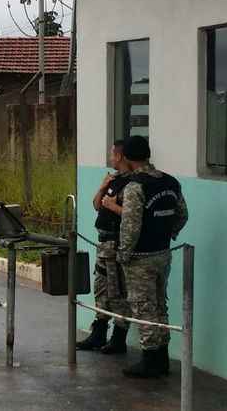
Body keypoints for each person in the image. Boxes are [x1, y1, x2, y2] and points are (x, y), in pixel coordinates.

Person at [117, 136, 188, 378]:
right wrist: (170, 233)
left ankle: (150, 359)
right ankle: (162, 358)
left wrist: (124, 253)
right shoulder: (170, 181)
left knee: (142, 306)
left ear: (126, 158)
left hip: (140, 257)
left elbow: (131, 224)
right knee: (159, 304)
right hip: (163, 253)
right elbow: (182, 214)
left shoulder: (135, 186)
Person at [76, 140, 132, 354]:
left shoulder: (133, 184)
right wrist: (102, 187)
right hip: (104, 242)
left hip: (117, 243)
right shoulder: (114, 180)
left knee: (118, 291)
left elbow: (133, 216)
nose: (110, 158)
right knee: (102, 289)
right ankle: (98, 332)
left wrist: (113, 206)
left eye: (112, 154)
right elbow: (97, 204)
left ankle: (119, 338)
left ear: (120, 156)